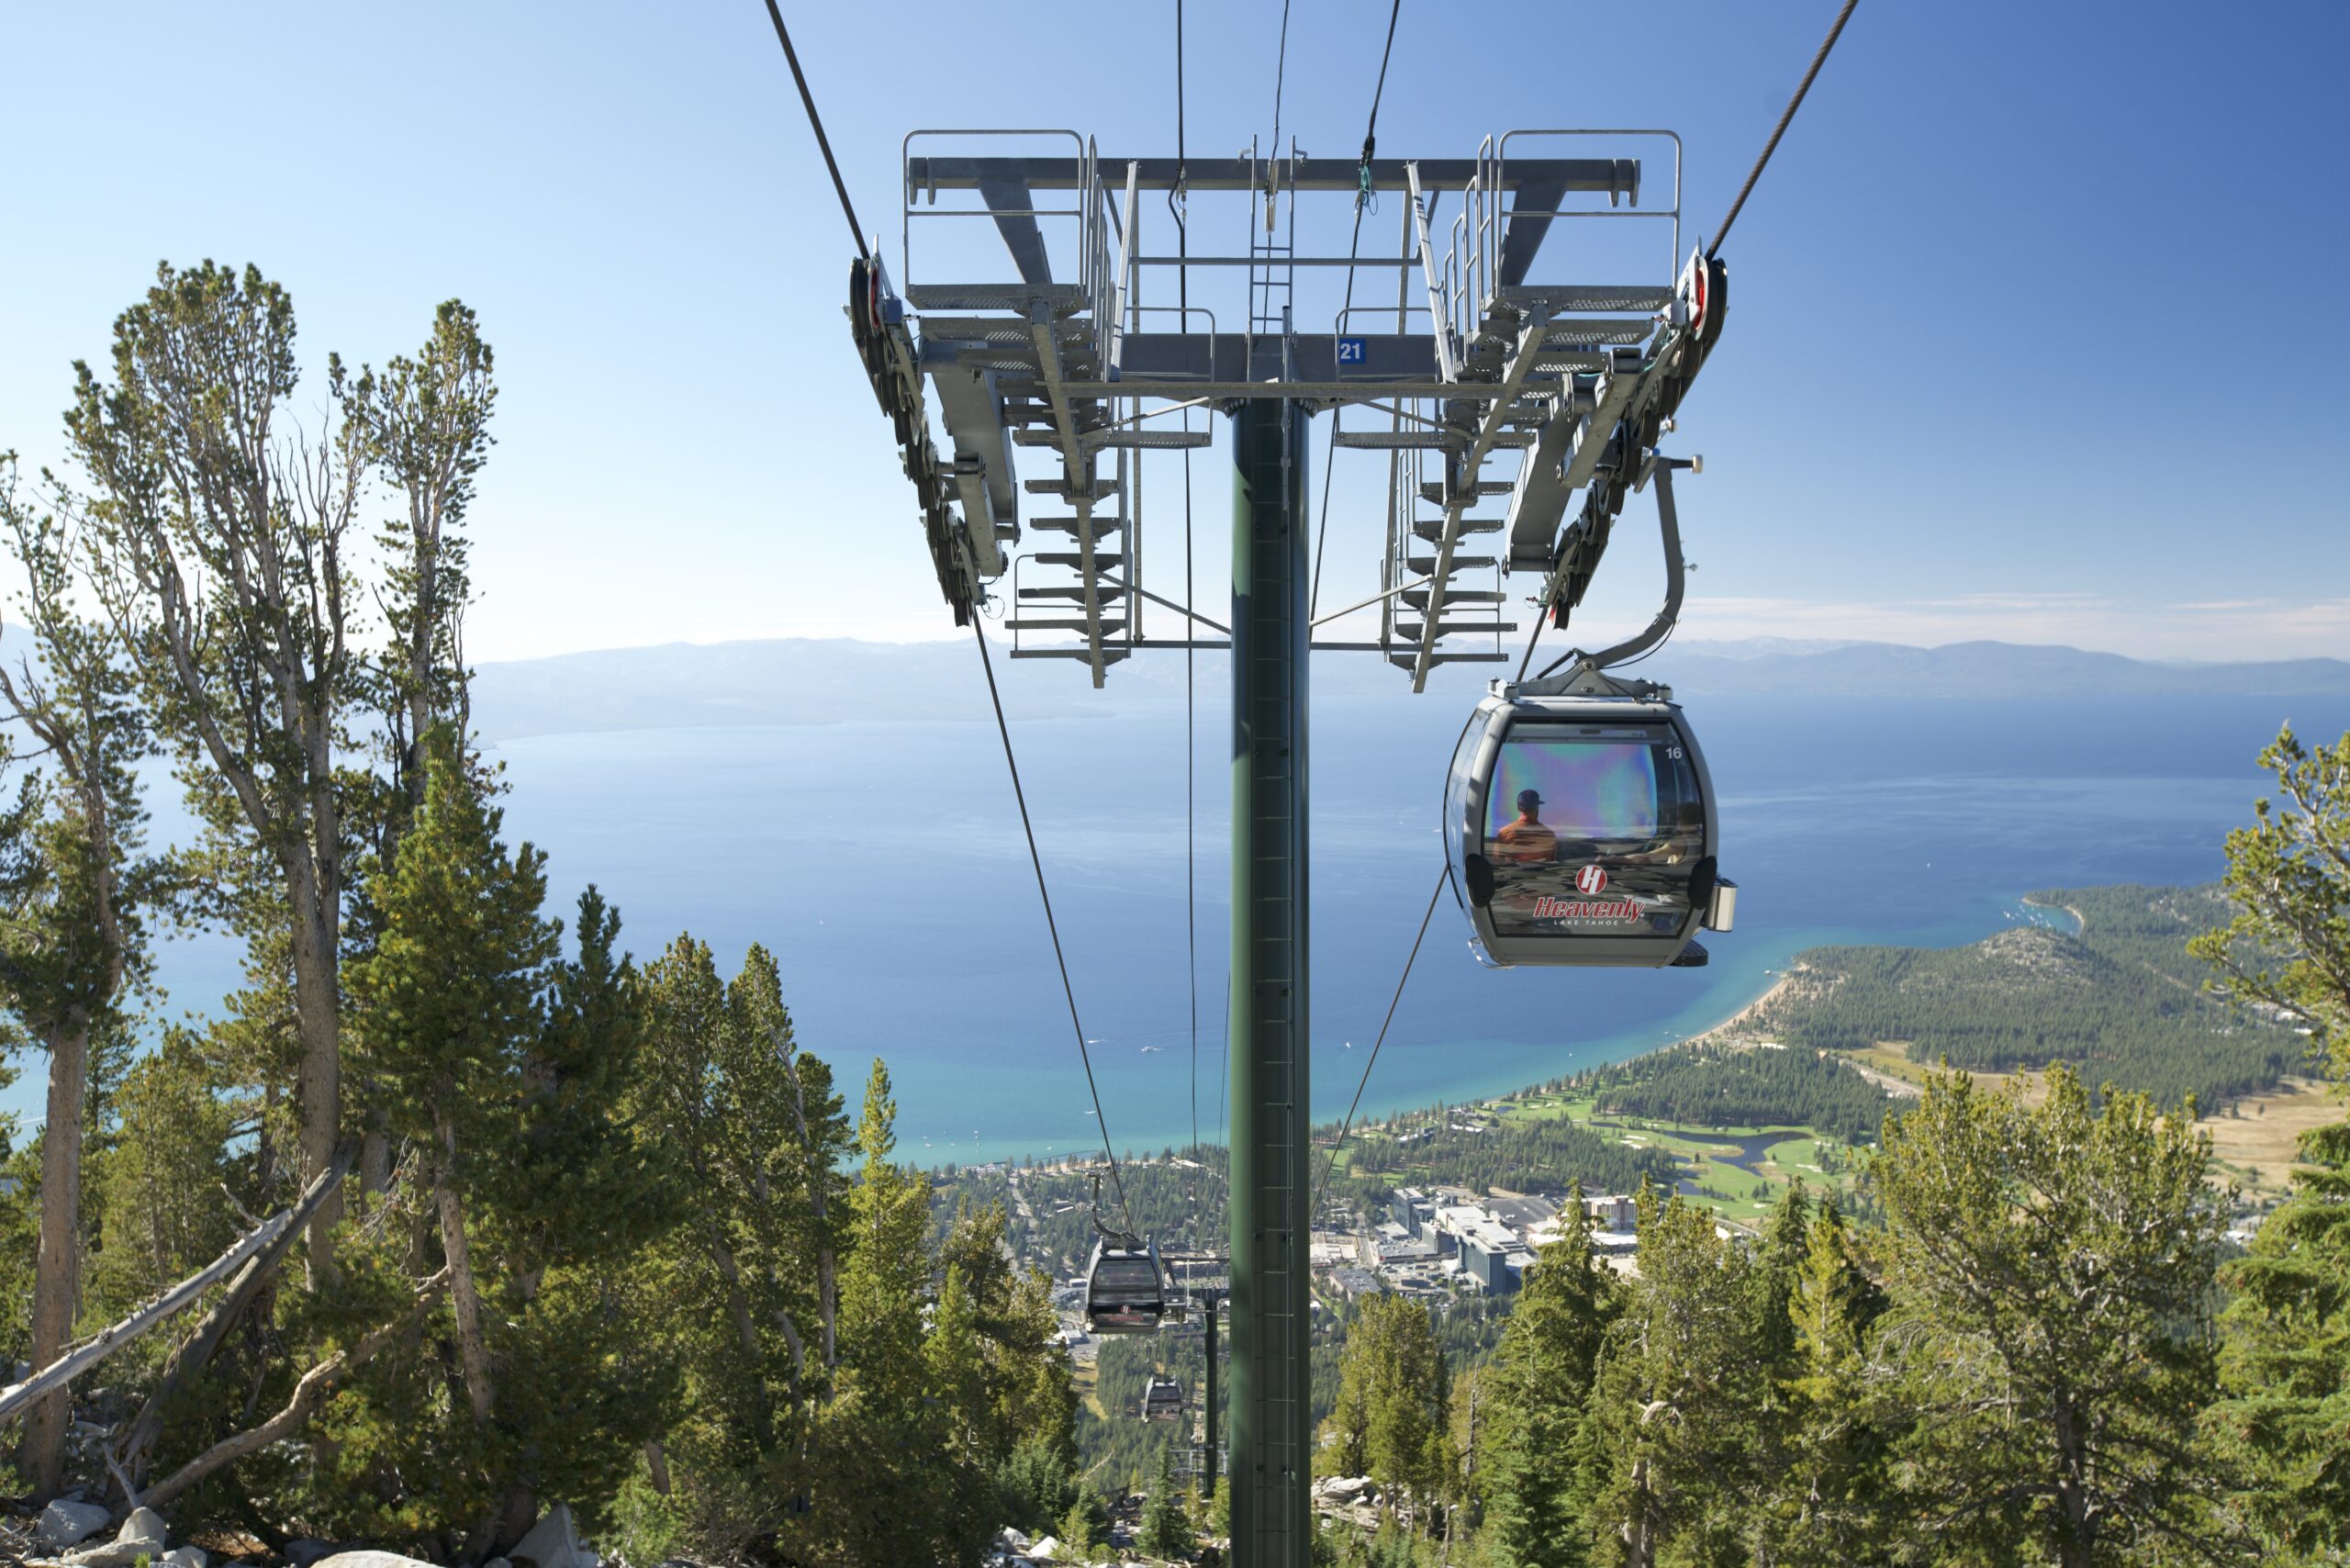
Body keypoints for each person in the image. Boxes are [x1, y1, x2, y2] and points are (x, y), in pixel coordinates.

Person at [1494, 788, 1559, 863]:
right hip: (1541, 874)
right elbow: (1552, 864)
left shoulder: (1504, 833)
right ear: (1536, 808)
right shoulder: (1549, 834)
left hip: (1512, 874)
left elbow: (1497, 862)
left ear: (1518, 807)